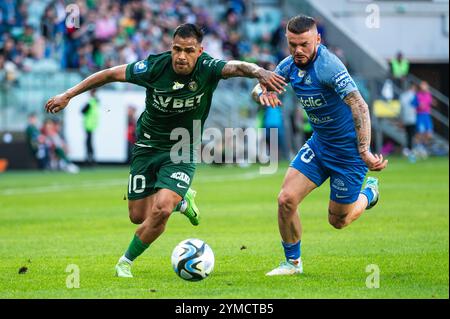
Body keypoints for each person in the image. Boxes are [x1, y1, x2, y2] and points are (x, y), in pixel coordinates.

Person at [44, 23, 286, 278]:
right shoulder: (154, 66)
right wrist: (69, 94)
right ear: (171, 48)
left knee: (161, 210)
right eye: (177, 49)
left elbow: (237, 66)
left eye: (189, 50)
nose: (181, 56)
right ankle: (183, 201)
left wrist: (259, 72)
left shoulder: (207, 68)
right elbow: (109, 74)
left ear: (200, 51)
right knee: (138, 216)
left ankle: (125, 262)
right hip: (147, 146)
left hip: (182, 147)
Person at [251, 15, 388, 276]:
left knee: (338, 221)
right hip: (320, 145)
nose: (298, 51)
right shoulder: (288, 65)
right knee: (286, 200)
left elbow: (359, 105)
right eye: (292, 44)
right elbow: (257, 89)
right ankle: (293, 263)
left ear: (318, 39)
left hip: (348, 154)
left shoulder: (329, 67)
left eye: (304, 44)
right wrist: (262, 94)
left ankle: (369, 195)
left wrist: (364, 151)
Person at [399, 83, 418, 162]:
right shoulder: (414, 96)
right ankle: (411, 152)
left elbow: (401, 108)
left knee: (408, 135)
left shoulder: (402, 96)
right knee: (412, 135)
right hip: (413, 118)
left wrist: (401, 119)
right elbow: (417, 105)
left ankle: (408, 150)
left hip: (405, 118)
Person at [415, 80, 435, 158]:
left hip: (427, 115)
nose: (424, 87)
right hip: (420, 115)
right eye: (423, 85)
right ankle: (418, 148)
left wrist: (433, 102)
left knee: (429, 134)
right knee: (420, 133)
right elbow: (413, 103)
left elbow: (430, 102)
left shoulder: (428, 94)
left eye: (425, 85)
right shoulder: (418, 95)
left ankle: (423, 147)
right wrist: (418, 104)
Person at [81, 89, 100, 165]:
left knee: (88, 143)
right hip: (92, 125)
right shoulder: (96, 102)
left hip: (89, 125)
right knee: (90, 142)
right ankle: (91, 158)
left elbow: (82, 111)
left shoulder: (90, 102)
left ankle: (89, 159)